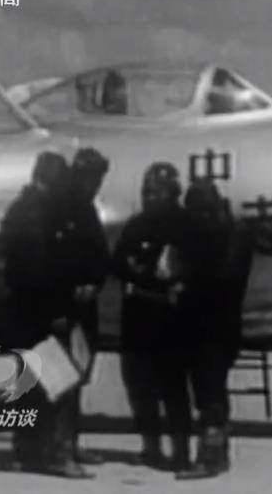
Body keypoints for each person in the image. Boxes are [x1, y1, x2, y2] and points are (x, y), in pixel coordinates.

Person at [0, 151, 93, 479]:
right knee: (59, 384)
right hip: (42, 314)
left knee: (28, 385)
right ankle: (57, 454)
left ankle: (27, 451)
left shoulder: (20, 211)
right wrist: (57, 309)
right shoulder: (39, 215)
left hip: (23, 313)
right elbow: (41, 270)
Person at [112, 162, 195, 472]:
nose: (150, 197)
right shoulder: (136, 225)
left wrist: (154, 274)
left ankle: (181, 452)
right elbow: (118, 263)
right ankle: (151, 448)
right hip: (137, 318)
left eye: (157, 191)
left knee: (173, 388)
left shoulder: (186, 226)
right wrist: (141, 272)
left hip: (172, 320)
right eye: (147, 191)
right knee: (139, 386)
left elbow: (191, 268)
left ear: (173, 192)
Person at [175, 178, 255, 480]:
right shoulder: (231, 233)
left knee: (209, 392)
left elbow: (222, 279)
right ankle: (217, 454)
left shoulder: (223, 238)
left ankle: (210, 457)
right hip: (218, 324)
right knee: (211, 390)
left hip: (212, 324)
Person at [62, 148, 112, 466]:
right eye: (91, 178)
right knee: (60, 379)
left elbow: (100, 255)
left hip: (84, 307)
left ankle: (69, 442)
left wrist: (94, 282)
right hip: (63, 307)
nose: (95, 185)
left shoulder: (86, 209)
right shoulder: (60, 210)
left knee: (77, 377)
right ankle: (57, 447)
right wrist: (72, 286)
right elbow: (53, 257)